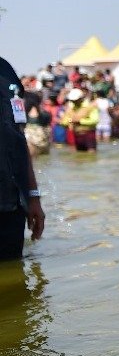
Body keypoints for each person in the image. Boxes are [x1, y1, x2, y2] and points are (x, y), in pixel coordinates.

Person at [1, 56, 44, 260]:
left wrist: (33, 196)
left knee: (16, 279)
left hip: (11, 205)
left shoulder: (7, 71)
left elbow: (19, 136)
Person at [63, 88, 100, 152]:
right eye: (72, 101)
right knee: (77, 156)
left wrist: (80, 121)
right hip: (76, 136)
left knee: (91, 153)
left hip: (89, 135)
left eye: (75, 100)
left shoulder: (90, 106)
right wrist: (70, 121)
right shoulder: (70, 108)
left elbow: (95, 120)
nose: (73, 102)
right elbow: (64, 121)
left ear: (81, 98)